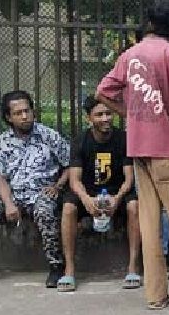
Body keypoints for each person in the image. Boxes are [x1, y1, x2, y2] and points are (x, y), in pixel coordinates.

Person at [96, 0, 169, 310]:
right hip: (167, 148)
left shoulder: (130, 55)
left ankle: (155, 294)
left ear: (149, 21)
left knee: (148, 222)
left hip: (139, 148)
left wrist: (128, 114)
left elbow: (102, 91)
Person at [0, 90, 70, 289]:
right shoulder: (1, 143)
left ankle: (57, 267)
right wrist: (9, 204)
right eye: (18, 113)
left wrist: (58, 185)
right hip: (12, 194)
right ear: (8, 117)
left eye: (27, 111)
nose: (24, 116)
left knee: (45, 211)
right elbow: (0, 178)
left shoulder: (48, 135)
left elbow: (70, 164)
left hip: (41, 192)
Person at [58, 95, 140, 291]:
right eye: (99, 115)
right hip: (88, 193)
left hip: (116, 193)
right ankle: (69, 270)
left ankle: (133, 266)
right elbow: (74, 180)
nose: (105, 118)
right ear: (90, 119)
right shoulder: (80, 141)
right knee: (68, 207)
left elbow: (129, 178)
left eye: (108, 113)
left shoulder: (123, 139)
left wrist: (116, 199)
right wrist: (87, 200)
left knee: (134, 205)